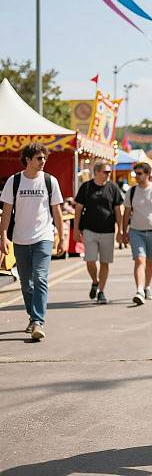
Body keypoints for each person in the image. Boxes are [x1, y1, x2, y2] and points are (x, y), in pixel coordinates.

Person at [0, 143, 64, 340]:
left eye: (44, 158)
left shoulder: (49, 181)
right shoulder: (14, 181)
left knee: (40, 278)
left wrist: (60, 236)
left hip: (43, 237)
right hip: (20, 239)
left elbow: (57, 211)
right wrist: (3, 236)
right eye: (38, 158)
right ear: (27, 159)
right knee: (26, 283)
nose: (43, 161)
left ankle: (38, 321)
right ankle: (32, 316)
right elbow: (7, 211)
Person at [74, 160, 124, 304]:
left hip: (108, 231)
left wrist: (120, 230)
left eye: (109, 172)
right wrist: (76, 229)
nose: (108, 174)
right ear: (96, 172)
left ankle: (101, 291)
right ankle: (95, 281)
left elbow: (118, 211)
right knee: (90, 261)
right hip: (89, 230)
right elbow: (78, 210)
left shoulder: (113, 188)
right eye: (105, 172)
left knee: (104, 262)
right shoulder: (86, 187)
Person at [122, 163, 152, 305]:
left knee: (150, 262)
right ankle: (139, 290)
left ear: (147, 174)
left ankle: (147, 286)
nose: (136, 176)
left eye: (139, 173)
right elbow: (126, 214)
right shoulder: (131, 191)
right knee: (139, 260)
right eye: (135, 173)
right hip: (136, 232)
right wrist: (123, 231)